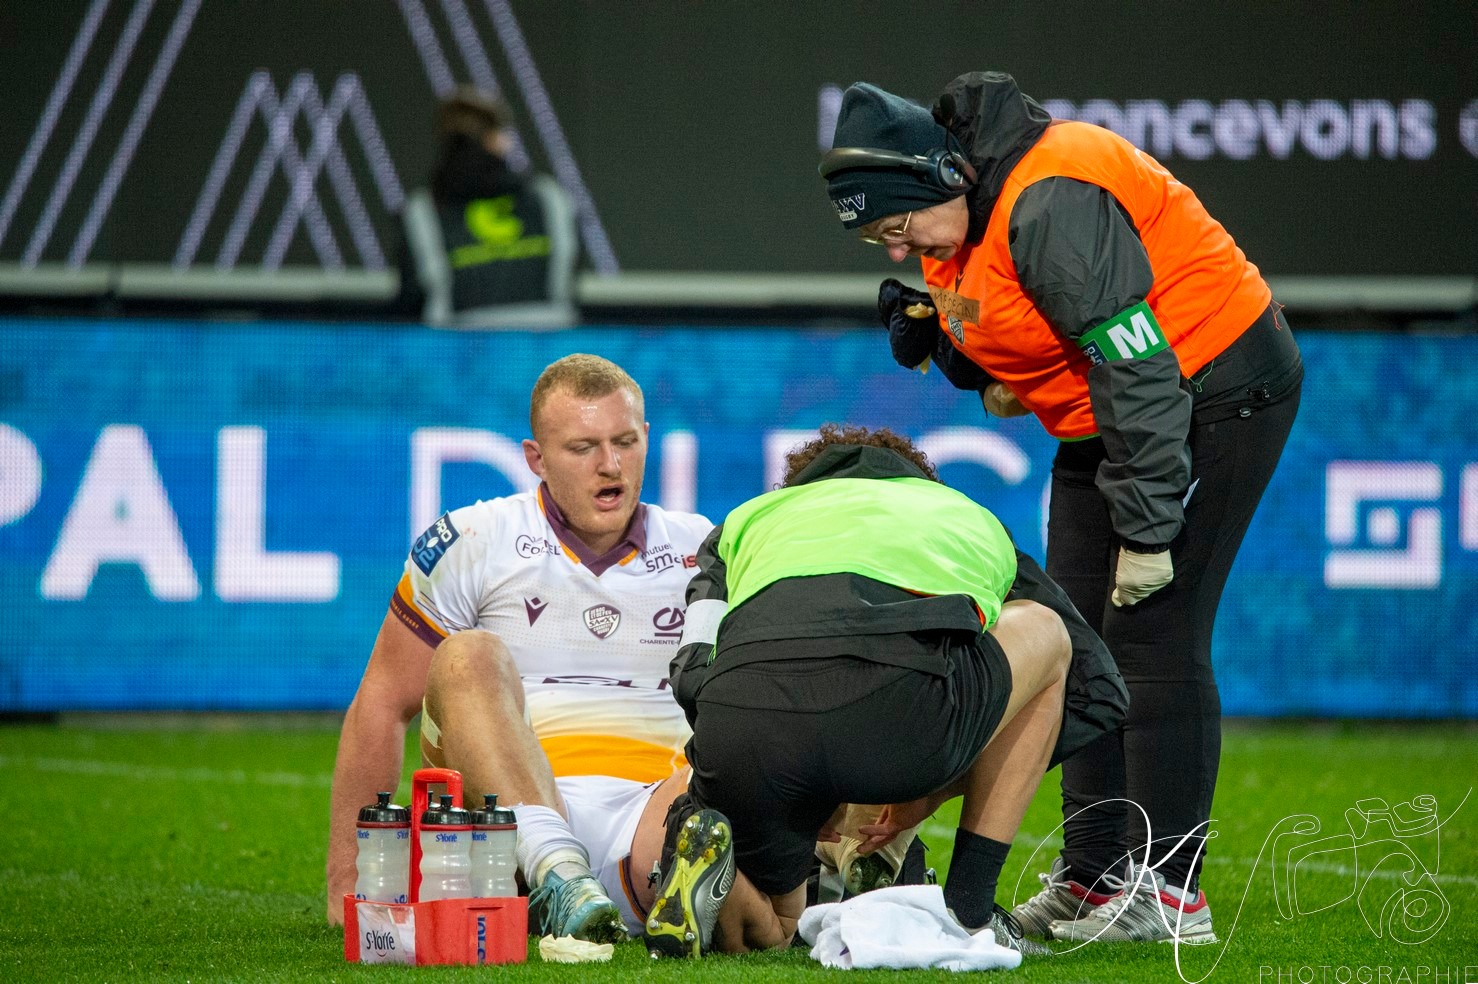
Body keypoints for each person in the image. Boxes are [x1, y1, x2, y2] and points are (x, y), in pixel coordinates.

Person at [818, 72, 1303, 943]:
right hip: (1110, 413)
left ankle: (1169, 892)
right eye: (880, 241)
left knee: (1153, 632)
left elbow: (1139, 365)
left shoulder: (1049, 201)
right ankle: (1092, 877)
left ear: (941, 178)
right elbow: (1010, 339)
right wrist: (945, 342)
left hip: (1212, 389)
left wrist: (1150, 532)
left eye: (897, 229)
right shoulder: (950, 208)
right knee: (1075, 643)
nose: (898, 251)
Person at [656, 424, 1129, 956]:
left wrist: (793, 781)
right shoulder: (964, 518)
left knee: (779, 928)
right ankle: (969, 912)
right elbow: (1099, 692)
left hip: (746, 723)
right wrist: (925, 793)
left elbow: (691, 669)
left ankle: (705, 851)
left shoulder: (744, 524)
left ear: (796, 486)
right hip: (902, 722)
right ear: (920, 482)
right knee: (1043, 630)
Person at [325, 353, 712, 942]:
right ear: (535, 458)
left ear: (646, 440)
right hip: (501, 830)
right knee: (467, 656)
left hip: (654, 818)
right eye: (582, 448)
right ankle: (556, 873)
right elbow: (382, 702)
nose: (610, 465)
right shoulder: (473, 540)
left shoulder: (703, 550)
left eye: (625, 441)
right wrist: (345, 886)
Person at [393, 86, 578, 328]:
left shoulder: (422, 210)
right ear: (497, 140)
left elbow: (411, 300)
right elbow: (569, 284)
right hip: (543, 350)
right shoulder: (549, 197)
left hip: (457, 355)